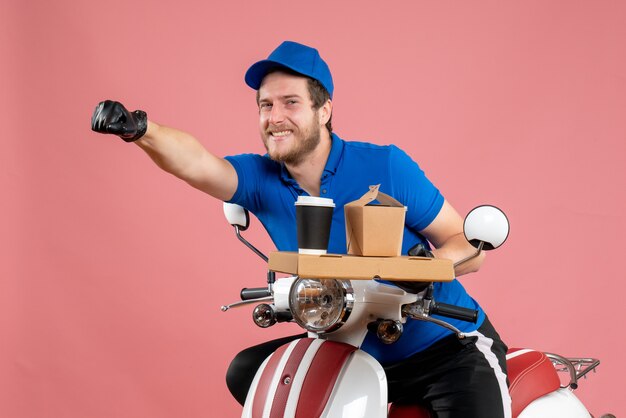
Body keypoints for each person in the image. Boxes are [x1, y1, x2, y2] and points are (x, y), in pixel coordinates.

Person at [91, 40, 511, 417]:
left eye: (290, 103)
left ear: (323, 110)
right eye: (265, 105)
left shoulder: (384, 165)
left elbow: (467, 245)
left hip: (443, 345)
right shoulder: (260, 179)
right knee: (248, 373)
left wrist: (421, 269)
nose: (275, 117)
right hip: (352, 352)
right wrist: (141, 130)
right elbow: (197, 164)